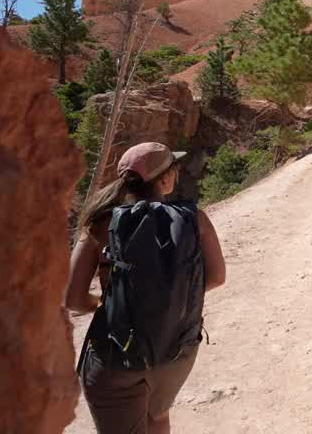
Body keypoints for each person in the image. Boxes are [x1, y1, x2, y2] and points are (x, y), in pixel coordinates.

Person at [65, 142, 226, 434]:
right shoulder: (194, 219)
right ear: (163, 178)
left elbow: (73, 299)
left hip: (118, 357)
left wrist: (105, 303)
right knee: (159, 416)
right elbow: (216, 277)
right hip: (176, 351)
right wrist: (168, 296)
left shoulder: (99, 225)